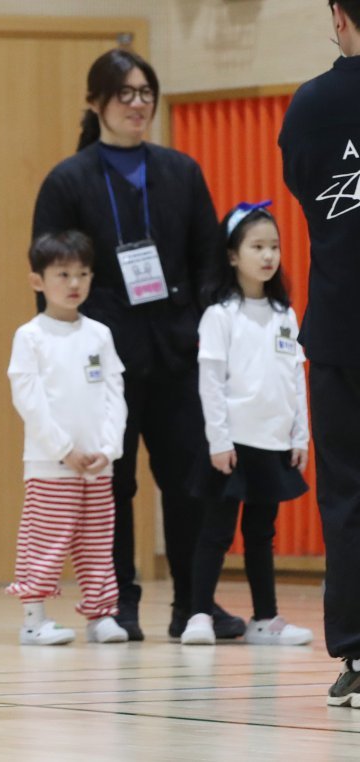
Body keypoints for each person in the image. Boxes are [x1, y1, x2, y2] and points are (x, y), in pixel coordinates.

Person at [32, 48, 244, 641]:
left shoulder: (180, 170)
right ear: (95, 102)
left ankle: (194, 605)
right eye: (124, 93)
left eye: (146, 92)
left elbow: (209, 260)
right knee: (112, 486)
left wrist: (202, 327)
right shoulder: (68, 179)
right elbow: (51, 276)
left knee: (189, 482)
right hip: (104, 362)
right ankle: (117, 602)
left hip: (177, 354)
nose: (138, 104)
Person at [179, 203, 313, 647]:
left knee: (262, 533)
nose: (268, 255)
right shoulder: (221, 314)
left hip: (272, 442)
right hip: (231, 443)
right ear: (233, 256)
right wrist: (218, 440)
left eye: (273, 246)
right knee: (215, 531)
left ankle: (265, 618)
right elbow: (211, 383)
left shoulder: (285, 315)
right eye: (257, 246)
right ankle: (198, 613)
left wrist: (300, 436)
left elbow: (295, 377)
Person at [278, 0, 360, 705]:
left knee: (348, 495)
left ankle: (359, 657)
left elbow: (306, 190)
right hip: (338, 331)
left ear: (338, 14)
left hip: (341, 328)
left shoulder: (312, 106)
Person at [6, 231, 128, 646]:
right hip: (50, 464)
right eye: (63, 274)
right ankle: (33, 618)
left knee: (97, 544)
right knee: (45, 539)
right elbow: (30, 399)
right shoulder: (31, 336)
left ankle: (101, 615)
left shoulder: (99, 334)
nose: (74, 283)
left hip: (97, 465)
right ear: (38, 281)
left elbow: (115, 395)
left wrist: (108, 449)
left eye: (83, 274)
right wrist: (63, 449)